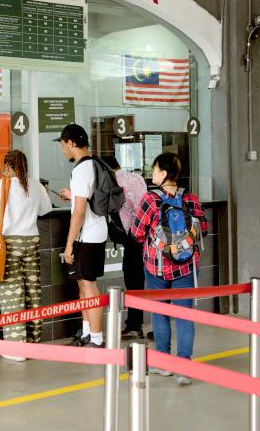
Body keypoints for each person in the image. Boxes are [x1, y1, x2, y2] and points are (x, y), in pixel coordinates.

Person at [131, 152, 207, 386]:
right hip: (186, 266)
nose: (152, 173)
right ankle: (184, 366)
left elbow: (136, 232)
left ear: (163, 174)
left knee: (159, 313)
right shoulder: (190, 198)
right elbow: (202, 228)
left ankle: (163, 362)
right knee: (185, 316)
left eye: (154, 169)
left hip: (157, 267)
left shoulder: (150, 199)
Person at [0, 150, 52, 361]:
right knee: (33, 292)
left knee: (12, 293)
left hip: (10, 244)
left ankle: (16, 349)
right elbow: (45, 210)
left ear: (8, 167)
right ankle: (34, 343)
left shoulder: (4, 185)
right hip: (32, 243)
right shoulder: (36, 186)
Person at [54, 123, 108, 348]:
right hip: (97, 230)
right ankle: (87, 332)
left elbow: (79, 212)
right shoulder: (95, 163)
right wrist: (73, 195)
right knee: (83, 285)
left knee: (89, 285)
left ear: (72, 143)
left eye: (63, 144)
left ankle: (97, 338)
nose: (62, 149)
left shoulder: (80, 169)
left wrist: (68, 245)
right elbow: (85, 200)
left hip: (89, 236)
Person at [102, 156, 148, 340]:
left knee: (133, 280)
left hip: (134, 237)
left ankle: (135, 326)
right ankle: (137, 324)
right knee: (141, 281)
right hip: (146, 235)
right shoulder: (137, 177)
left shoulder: (115, 183)